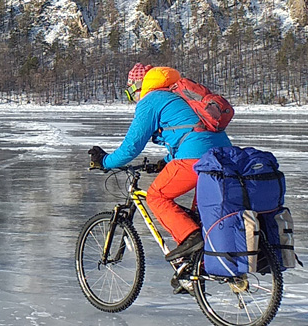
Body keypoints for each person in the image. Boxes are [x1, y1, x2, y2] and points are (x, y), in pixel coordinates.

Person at [90, 64, 232, 262]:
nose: (133, 100)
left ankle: (192, 240)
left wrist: (105, 161)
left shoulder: (151, 100)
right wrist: (165, 162)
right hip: (225, 157)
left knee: (157, 197)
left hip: (195, 158)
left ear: (138, 87)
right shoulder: (177, 95)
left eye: (130, 93)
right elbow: (191, 130)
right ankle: (195, 269)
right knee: (200, 216)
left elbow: (131, 147)